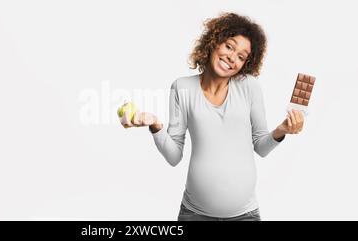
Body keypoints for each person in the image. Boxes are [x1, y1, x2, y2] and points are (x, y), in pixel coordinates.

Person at [120, 13, 304, 221]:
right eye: (229, 46)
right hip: (195, 214)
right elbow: (173, 157)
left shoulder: (249, 87)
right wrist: (154, 124)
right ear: (214, 42)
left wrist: (282, 130)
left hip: (245, 215)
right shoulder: (182, 87)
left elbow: (261, 147)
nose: (232, 57)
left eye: (242, 57)